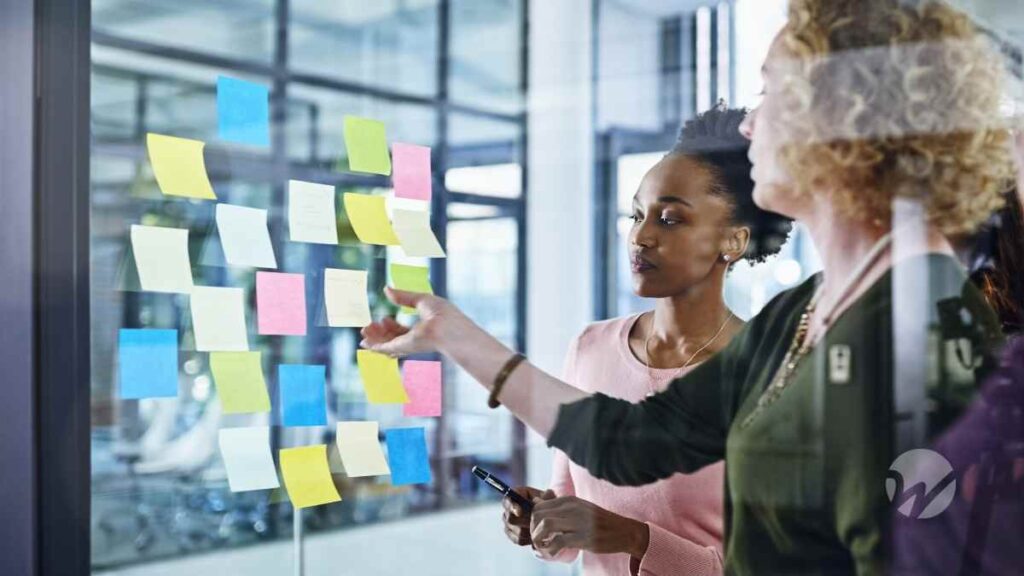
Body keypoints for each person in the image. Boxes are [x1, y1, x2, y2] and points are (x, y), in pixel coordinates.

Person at [361, 1, 1015, 573]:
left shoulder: (919, 334)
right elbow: (628, 440)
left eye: (771, 91)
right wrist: (455, 337)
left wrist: (638, 539)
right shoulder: (801, 313)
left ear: (844, 114)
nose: (751, 124)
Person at [500, 105, 791, 576]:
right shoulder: (590, 348)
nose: (641, 236)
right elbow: (569, 521)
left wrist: (631, 537)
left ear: (734, 242)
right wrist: (541, 521)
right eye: (637, 214)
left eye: (670, 219)